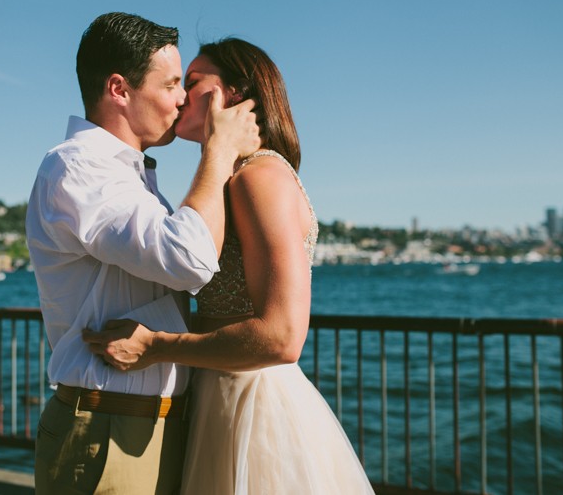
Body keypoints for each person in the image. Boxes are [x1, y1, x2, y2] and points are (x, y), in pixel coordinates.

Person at [84, 38, 375, 494]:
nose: (179, 96)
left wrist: (156, 346)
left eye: (193, 82)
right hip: (221, 396)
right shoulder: (231, 179)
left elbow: (281, 337)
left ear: (234, 95)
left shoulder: (258, 177)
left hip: (254, 408)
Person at [25, 13, 261, 494]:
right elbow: (189, 259)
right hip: (108, 422)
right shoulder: (78, 168)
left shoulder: (129, 176)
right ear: (119, 89)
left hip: (147, 420)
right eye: (173, 83)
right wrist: (218, 153)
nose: (182, 98)